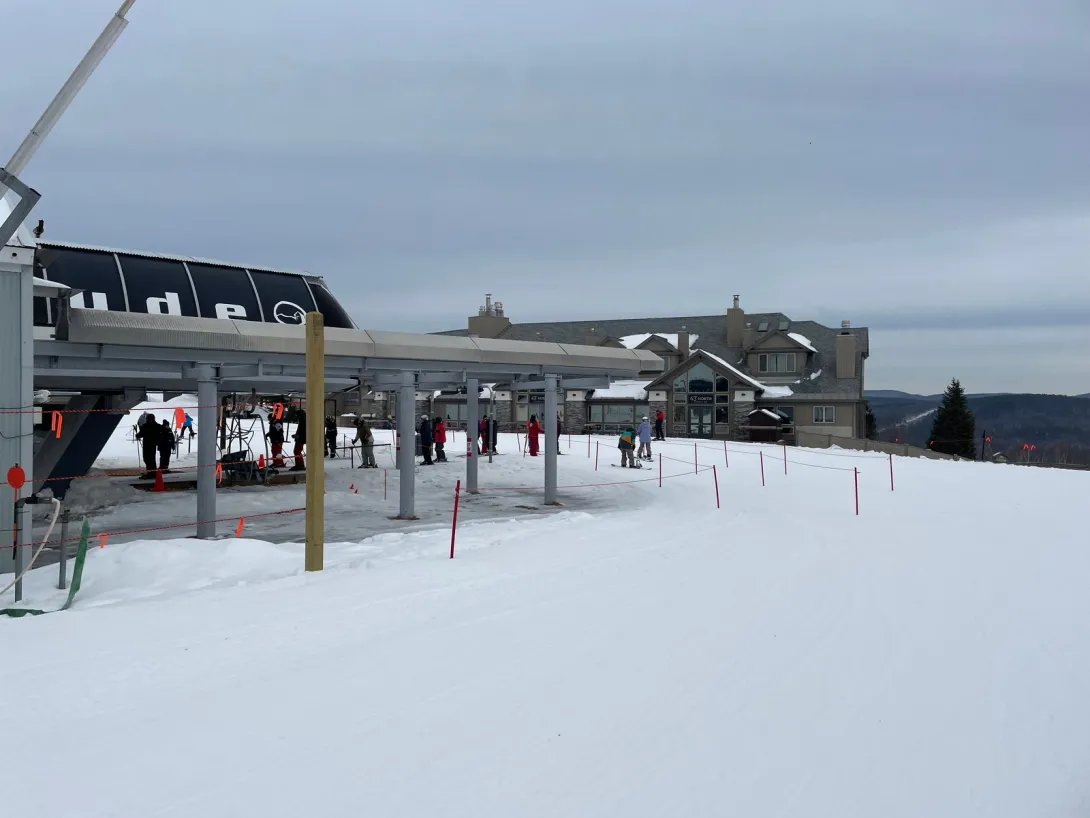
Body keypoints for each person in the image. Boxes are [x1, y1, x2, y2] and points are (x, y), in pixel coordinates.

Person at [134, 412, 160, 476]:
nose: (150, 421)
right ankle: (151, 472)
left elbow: (141, 433)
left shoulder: (146, 426)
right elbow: (141, 433)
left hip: (149, 444)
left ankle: (151, 473)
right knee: (149, 458)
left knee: (148, 459)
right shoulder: (157, 426)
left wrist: (137, 435)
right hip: (151, 444)